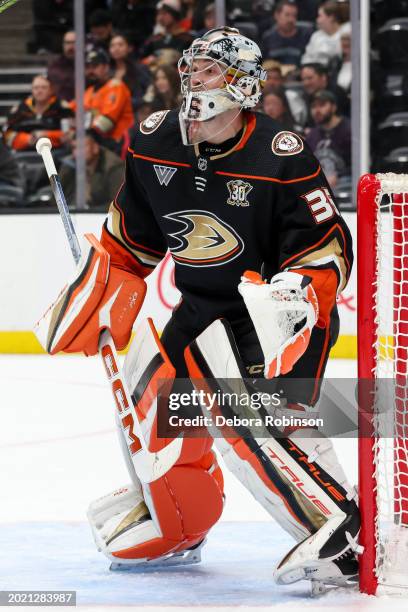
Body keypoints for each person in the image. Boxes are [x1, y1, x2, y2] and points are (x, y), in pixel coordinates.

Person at [37, 27, 359, 591]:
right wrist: (100, 285)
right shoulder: (153, 140)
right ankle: (179, 522)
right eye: (191, 66)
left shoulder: (281, 153)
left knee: (265, 423)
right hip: (201, 309)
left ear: (241, 83)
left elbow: (326, 247)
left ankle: (347, 541)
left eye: (209, 69)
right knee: (151, 406)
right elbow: (130, 243)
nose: (193, 76)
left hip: (267, 317)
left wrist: (297, 291)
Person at [84, 48, 134, 153]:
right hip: (97, 142)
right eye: (88, 67)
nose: (91, 71)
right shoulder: (89, 91)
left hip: (118, 142)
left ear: (106, 67)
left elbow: (105, 123)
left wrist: (81, 132)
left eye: (95, 66)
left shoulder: (116, 86)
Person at [4, 75, 74, 150]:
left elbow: (70, 134)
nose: (39, 91)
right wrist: (27, 139)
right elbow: (7, 134)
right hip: (24, 153)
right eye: (36, 88)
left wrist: (46, 135)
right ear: (32, 90)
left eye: (44, 87)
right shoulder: (20, 109)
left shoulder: (62, 108)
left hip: (57, 152)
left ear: (51, 90)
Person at [59, 130, 124, 209]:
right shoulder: (69, 166)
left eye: (82, 147)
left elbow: (118, 205)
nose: (77, 153)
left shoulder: (114, 167)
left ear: (95, 148)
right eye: (74, 148)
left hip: (103, 216)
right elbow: (58, 199)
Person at [306, 90, 351, 188]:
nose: (317, 110)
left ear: (334, 107)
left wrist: (338, 175)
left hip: (346, 183)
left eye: (322, 105)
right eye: (313, 106)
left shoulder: (349, 130)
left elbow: (358, 163)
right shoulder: (312, 135)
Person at [140, 0, 193, 65]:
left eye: (164, 13)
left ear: (174, 14)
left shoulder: (187, 38)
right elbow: (141, 59)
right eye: (158, 14)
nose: (160, 17)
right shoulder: (156, 38)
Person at [261, 0, 312, 67]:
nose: (291, 19)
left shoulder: (305, 35)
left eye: (294, 16)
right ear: (276, 15)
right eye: (287, 15)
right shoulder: (268, 37)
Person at [109, 33, 152, 110]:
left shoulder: (140, 69)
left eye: (120, 45)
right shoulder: (108, 72)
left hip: (135, 113)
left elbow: (148, 92)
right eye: (112, 46)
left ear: (129, 48)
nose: (116, 48)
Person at [301, 0, 347, 67]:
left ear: (331, 17)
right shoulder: (316, 36)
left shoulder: (346, 32)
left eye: (320, 16)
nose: (317, 20)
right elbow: (306, 59)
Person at [47, 30, 76, 102]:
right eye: (68, 43)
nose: (71, 46)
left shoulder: (89, 65)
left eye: (74, 42)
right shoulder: (55, 66)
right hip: (61, 108)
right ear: (63, 45)